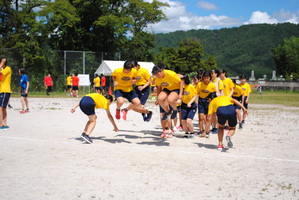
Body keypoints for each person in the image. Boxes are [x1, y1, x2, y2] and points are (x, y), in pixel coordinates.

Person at [191, 71, 216, 137]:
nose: (206, 79)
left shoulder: (212, 85)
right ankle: (201, 130)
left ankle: (207, 130)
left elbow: (214, 95)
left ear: (210, 78)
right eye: (205, 78)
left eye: (207, 78)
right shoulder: (199, 84)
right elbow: (196, 93)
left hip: (209, 101)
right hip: (201, 100)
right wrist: (196, 101)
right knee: (201, 117)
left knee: (208, 118)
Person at [180, 74, 197, 139]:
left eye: (182, 80)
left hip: (192, 106)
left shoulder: (191, 87)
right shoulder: (182, 88)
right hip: (184, 105)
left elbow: (195, 96)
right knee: (183, 121)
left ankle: (192, 133)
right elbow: (181, 96)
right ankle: (186, 133)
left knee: (188, 121)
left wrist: (190, 102)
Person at [210, 68, 224, 134]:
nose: (212, 75)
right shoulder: (210, 81)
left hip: (217, 99)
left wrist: (220, 100)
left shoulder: (219, 81)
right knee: (212, 114)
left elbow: (222, 91)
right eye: (211, 73)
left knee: (216, 114)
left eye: (213, 73)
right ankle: (214, 126)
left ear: (216, 74)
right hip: (211, 99)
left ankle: (216, 127)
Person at [0, 57, 12, 130]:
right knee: (3, 108)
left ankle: (1, 124)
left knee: (1, 108)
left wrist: (2, 62)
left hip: (5, 90)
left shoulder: (7, 69)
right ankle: (4, 124)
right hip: (1, 90)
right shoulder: (2, 69)